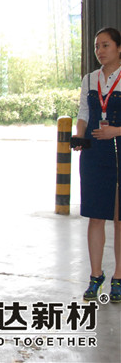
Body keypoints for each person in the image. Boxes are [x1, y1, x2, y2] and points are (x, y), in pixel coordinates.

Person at [74, 26, 121, 303]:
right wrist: (80, 134)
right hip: (94, 153)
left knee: (119, 217)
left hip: (118, 149)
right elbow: (83, 111)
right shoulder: (90, 79)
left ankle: (119, 277)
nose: (99, 51)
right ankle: (95, 276)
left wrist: (116, 131)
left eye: (105, 45)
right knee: (95, 216)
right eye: (96, 46)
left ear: (118, 48)